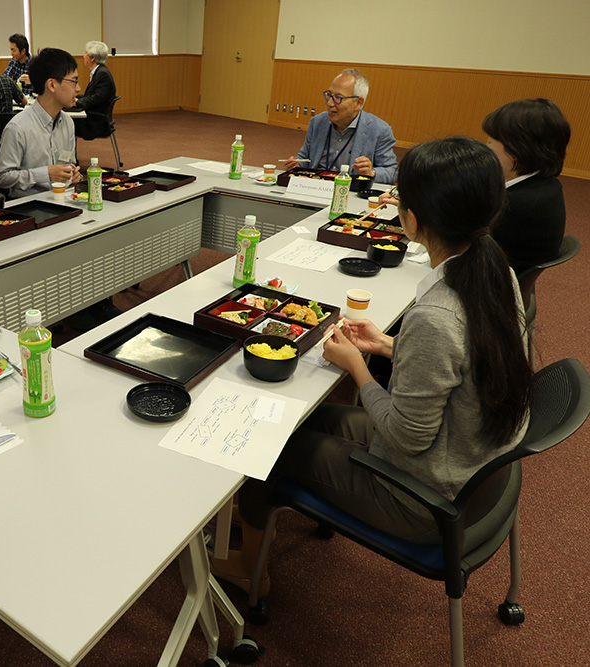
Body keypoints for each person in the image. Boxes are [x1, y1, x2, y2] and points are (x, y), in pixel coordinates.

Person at [212, 137, 532, 596]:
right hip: (470, 463)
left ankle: (250, 568)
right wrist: (387, 345)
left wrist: (357, 368)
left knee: (270, 445)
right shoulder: (493, 266)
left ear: (413, 219)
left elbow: (406, 436)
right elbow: (466, 358)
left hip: (425, 495)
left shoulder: (438, 314)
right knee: (308, 419)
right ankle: (254, 510)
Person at [482, 98, 570, 274]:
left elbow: (465, 249)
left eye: (491, 141)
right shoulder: (547, 186)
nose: (486, 147)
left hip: (488, 285)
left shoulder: (517, 205)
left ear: (517, 149)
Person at [283, 69, 398, 185]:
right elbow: (304, 158)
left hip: (349, 192)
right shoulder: (317, 123)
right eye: (329, 95)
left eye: (338, 98)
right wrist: (296, 164)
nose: (329, 103)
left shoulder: (379, 130)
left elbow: (393, 172)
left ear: (358, 103)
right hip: (316, 187)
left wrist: (371, 172)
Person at [0, 48, 82, 199]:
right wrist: (44, 174)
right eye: (74, 82)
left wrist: (73, 173)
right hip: (29, 206)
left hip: (62, 199)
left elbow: (69, 161)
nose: (78, 89)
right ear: (52, 85)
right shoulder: (18, 127)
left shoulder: (67, 122)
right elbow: (2, 177)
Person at [73, 41, 116, 140]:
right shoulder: (99, 72)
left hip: (97, 122)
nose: (83, 56)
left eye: (86, 53)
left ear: (92, 58)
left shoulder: (102, 74)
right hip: (95, 117)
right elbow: (91, 96)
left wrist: (77, 102)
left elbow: (96, 98)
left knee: (65, 123)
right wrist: (74, 98)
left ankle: (69, 155)